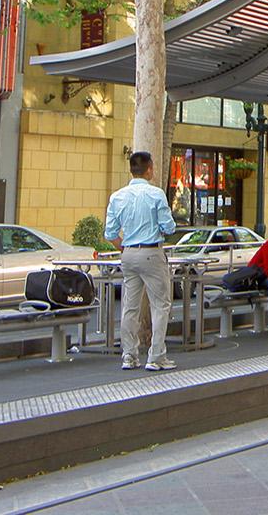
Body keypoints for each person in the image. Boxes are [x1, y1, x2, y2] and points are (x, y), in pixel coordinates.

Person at [104, 152, 178, 371]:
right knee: (160, 305)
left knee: (130, 306)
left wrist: (125, 247)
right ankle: (156, 356)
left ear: (131, 170)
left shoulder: (117, 197)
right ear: (150, 169)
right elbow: (169, 227)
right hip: (151, 252)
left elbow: (110, 233)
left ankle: (129, 355)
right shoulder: (156, 194)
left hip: (128, 254)